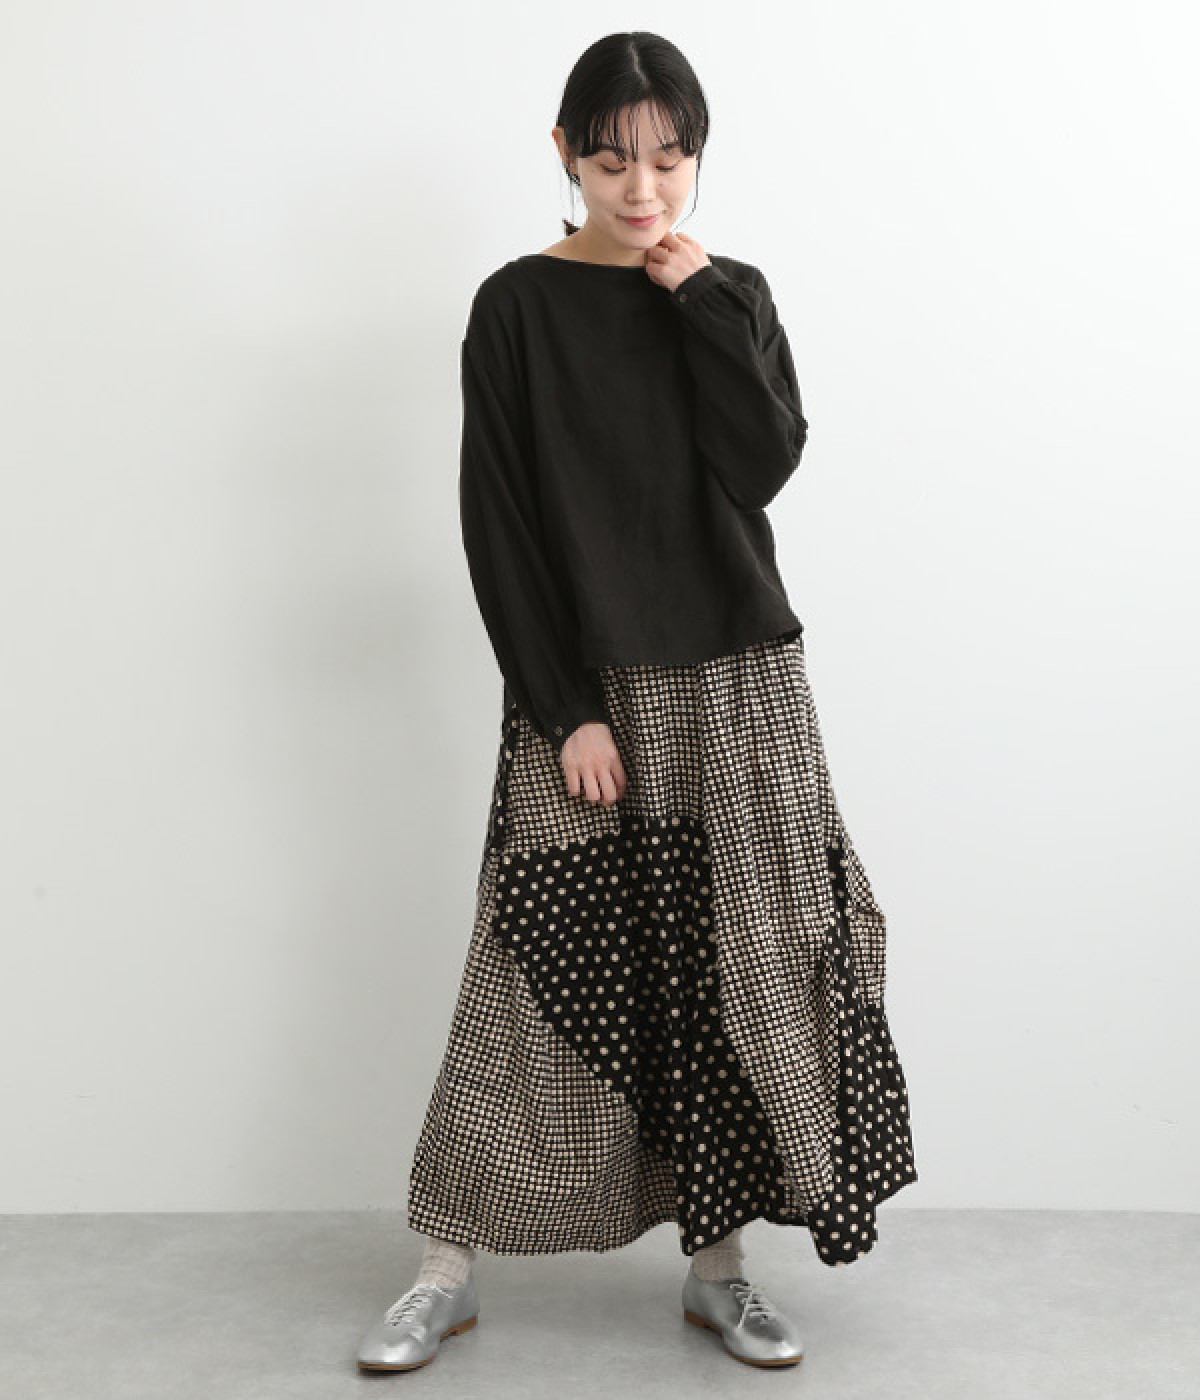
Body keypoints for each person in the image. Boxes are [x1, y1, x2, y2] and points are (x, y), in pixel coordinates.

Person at [357, 30, 918, 1375]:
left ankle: (720, 1271)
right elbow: (498, 524)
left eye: (669, 160)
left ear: (698, 157)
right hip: (591, 692)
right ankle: (444, 1269)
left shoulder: (731, 293)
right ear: (566, 154)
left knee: (744, 964)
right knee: (528, 971)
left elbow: (763, 464)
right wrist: (566, 712)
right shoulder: (516, 308)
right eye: (613, 161)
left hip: (739, 680)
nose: (643, 188)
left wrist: (702, 300)